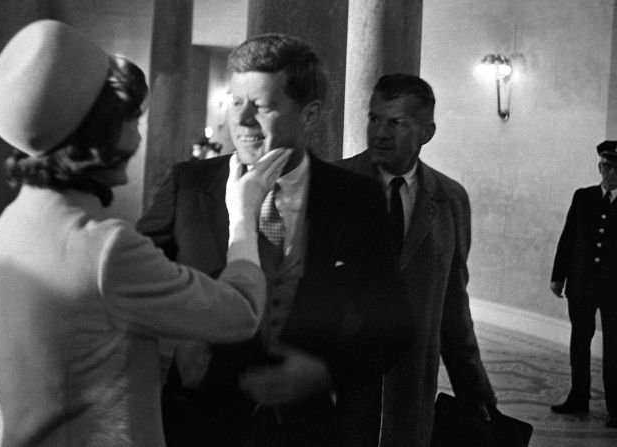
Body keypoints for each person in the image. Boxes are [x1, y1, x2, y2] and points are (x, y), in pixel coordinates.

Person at [0, 20, 293, 446]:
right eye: (131, 120)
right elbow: (240, 314)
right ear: (101, 133)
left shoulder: (2, 234)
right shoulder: (104, 249)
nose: (139, 134)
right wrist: (242, 215)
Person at [137, 34, 412, 447]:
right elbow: (128, 284)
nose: (242, 121)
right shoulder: (189, 185)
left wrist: (325, 371)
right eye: (236, 101)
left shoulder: (354, 197)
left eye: (261, 106)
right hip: (196, 420)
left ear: (311, 114)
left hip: (303, 427)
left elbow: (394, 320)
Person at [336, 73, 496, 447]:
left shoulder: (450, 200)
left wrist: (473, 388)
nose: (380, 132)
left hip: (410, 389)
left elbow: (453, 303)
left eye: (396, 122)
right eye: (374, 118)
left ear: (427, 132)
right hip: (339, 382)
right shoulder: (332, 185)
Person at [549, 139, 617, 428]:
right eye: (606, 166)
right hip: (581, 284)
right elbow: (568, 238)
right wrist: (558, 276)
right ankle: (578, 398)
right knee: (579, 343)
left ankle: (616, 410)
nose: (611, 173)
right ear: (599, 167)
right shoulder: (582, 197)